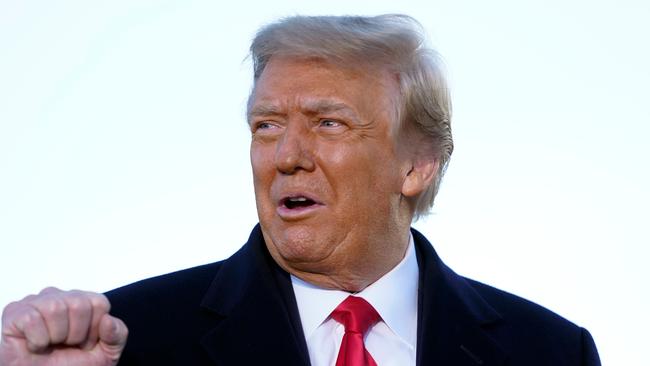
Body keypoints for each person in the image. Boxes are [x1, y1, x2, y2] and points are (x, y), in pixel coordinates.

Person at [0, 14, 600, 366]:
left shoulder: (549, 353)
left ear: (417, 165)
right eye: (267, 126)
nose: (286, 157)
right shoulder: (129, 340)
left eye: (327, 123)